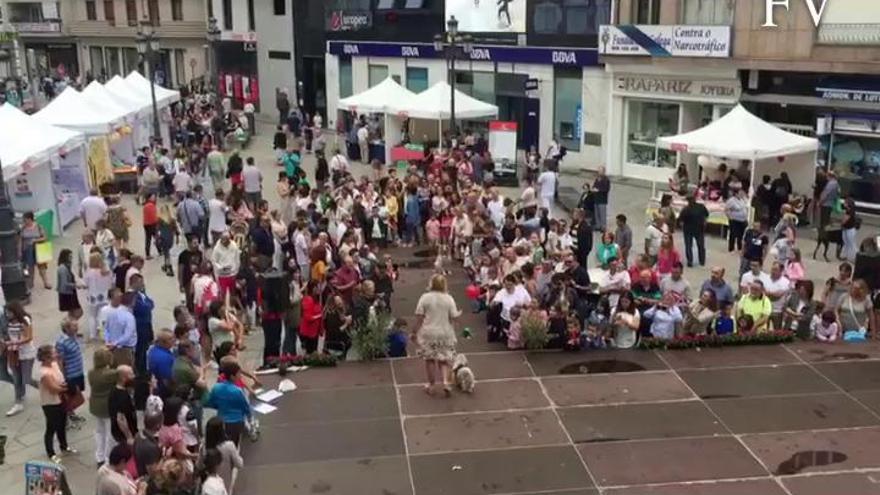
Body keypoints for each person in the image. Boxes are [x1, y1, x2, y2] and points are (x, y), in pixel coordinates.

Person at [413, 274, 461, 397]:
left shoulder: (425, 298)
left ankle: (431, 384)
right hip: (445, 332)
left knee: (429, 359)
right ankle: (446, 383)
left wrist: (414, 332)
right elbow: (454, 316)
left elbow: (419, 316)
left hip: (429, 332)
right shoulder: (449, 298)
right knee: (444, 360)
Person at [36, 344, 73, 462]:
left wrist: (63, 385)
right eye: (53, 353)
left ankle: (64, 446)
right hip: (50, 403)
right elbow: (53, 389)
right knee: (51, 427)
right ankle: (51, 452)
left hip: (60, 400)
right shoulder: (44, 372)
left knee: (62, 424)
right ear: (46, 357)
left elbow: (61, 381)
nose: (56, 354)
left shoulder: (54, 365)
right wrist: (67, 389)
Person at [204, 360, 252, 446]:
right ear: (232, 376)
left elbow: (210, 403)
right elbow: (245, 408)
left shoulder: (216, 387)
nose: (240, 376)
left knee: (221, 444)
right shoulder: (238, 391)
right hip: (236, 422)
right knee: (234, 444)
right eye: (239, 374)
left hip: (221, 421)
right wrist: (250, 418)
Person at [4, 301, 35, 416]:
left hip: (26, 352)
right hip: (13, 352)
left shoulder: (25, 320)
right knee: (17, 378)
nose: (7, 315)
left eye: (9, 312)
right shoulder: (8, 322)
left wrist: (14, 342)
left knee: (26, 378)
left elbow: (29, 337)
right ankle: (18, 402)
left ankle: (43, 387)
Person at [88, 347, 117, 467]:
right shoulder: (110, 374)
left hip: (95, 404)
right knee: (110, 433)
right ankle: (107, 458)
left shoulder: (91, 373)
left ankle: (99, 455)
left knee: (100, 431)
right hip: (107, 406)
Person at [54, 317, 85, 422]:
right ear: (66, 328)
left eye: (77, 325)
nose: (77, 328)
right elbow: (60, 361)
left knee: (73, 397)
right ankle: (63, 416)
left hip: (78, 372)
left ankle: (70, 414)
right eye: (74, 326)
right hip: (70, 375)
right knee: (77, 398)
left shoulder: (74, 337)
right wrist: (62, 377)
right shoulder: (62, 342)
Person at [203, 417, 243, 491]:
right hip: (227, 481)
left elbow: (199, 465)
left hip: (209, 482)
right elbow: (239, 464)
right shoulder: (229, 445)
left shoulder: (204, 447)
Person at [20, 211, 52, 290]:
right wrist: (19, 251)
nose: (24, 221)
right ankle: (29, 283)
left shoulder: (38, 226)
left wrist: (35, 240)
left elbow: (45, 237)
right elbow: (20, 240)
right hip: (27, 250)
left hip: (38, 249)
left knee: (42, 267)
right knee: (28, 268)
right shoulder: (22, 228)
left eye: (25, 219)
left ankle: (46, 282)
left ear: (30, 219)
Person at [105, 292, 137, 367]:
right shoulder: (129, 317)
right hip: (125, 350)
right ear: (132, 302)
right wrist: (116, 343)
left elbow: (106, 329)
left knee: (113, 371)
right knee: (124, 374)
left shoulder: (111, 313)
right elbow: (127, 335)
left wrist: (108, 342)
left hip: (112, 348)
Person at [108, 365, 137, 445]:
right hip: (124, 434)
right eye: (131, 374)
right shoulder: (122, 397)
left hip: (116, 430)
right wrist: (129, 436)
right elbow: (120, 419)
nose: (134, 376)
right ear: (123, 378)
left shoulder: (114, 390)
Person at [677, 195, 709, 267]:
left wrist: (683, 227)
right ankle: (702, 261)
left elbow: (681, 221)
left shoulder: (685, 209)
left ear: (688, 201)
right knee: (701, 246)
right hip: (699, 229)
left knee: (688, 246)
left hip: (688, 230)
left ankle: (690, 261)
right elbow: (706, 215)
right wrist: (704, 223)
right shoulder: (701, 207)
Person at [56, 248, 83, 319]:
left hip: (70, 292)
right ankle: (68, 324)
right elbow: (64, 284)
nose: (71, 258)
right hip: (67, 294)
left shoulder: (67, 266)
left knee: (72, 312)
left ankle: (69, 324)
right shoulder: (63, 268)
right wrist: (76, 285)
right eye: (70, 257)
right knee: (78, 311)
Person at [764, 262, 792, 330]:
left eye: (776, 269)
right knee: (763, 330)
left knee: (777, 331)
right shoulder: (765, 278)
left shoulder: (785, 282)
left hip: (777, 310)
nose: (773, 271)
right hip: (765, 309)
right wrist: (771, 294)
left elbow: (777, 296)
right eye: (772, 269)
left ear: (781, 271)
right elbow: (762, 292)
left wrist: (767, 293)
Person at [299, 281, 324, 355]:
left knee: (314, 352)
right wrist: (319, 316)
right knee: (310, 353)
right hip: (308, 333)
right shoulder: (308, 300)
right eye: (316, 287)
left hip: (315, 332)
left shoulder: (317, 300)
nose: (318, 289)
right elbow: (308, 317)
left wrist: (321, 330)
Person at [725, 187, 749, 252]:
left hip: (743, 220)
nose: (741, 194)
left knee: (741, 235)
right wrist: (729, 217)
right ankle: (731, 248)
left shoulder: (742, 200)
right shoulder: (731, 200)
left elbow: (745, 207)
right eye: (740, 193)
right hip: (735, 220)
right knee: (733, 234)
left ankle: (739, 248)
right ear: (736, 194)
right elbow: (726, 209)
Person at [591, 166, 611, 231]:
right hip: (596, 199)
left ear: (603, 172)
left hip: (602, 199)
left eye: (600, 171)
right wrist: (593, 188)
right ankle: (598, 225)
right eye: (598, 171)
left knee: (602, 214)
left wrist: (598, 190)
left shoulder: (606, 180)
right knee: (597, 213)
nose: (599, 172)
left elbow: (606, 189)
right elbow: (594, 185)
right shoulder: (597, 179)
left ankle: (603, 227)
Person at [841, 198, 860, 262]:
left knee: (851, 243)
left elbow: (845, 220)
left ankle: (856, 257)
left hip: (850, 229)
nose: (844, 203)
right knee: (846, 243)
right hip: (846, 229)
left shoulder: (850, 211)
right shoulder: (848, 210)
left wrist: (841, 222)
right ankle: (847, 256)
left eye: (845, 202)